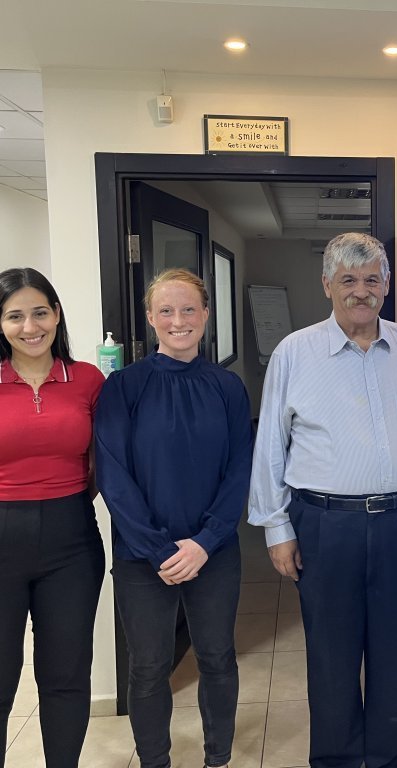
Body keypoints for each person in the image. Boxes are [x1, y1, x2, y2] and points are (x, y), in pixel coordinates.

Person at [249, 232, 397, 768]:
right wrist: (276, 526)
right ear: (327, 285)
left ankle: (389, 757)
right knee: (331, 658)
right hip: (325, 526)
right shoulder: (295, 352)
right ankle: (336, 760)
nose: (360, 291)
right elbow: (271, 443)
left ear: (386, 285)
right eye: (348, 280)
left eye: (371, 279)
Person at [95, 268, 253, 768]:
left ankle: (217, 758)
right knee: (147, 668)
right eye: (166, 310)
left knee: (217, 658)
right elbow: (113, 476)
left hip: (214, 552)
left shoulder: (228, 387)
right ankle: (155, 762)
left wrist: (205, 541)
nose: (178, 320)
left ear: (206, 314)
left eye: (188, 309)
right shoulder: (123, 388)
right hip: (144, 558)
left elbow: (240, 470)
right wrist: (160, 549)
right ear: (150, 317)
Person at [0, 267, 105, 768]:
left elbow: (107, 460)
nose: (30, 327)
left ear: (57, 314)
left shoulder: (87, 379)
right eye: (14, 316)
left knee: (66, 677)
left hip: (71, 542)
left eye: (40, 312)